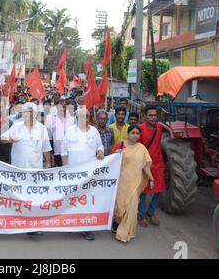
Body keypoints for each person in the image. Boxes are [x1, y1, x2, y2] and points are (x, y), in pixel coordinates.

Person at [1, 102, 52, 237]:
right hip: (18, 171)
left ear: (35, 113)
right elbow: (2, 138)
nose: (27, 114)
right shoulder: (17, 126)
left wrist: (48, 164)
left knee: (33, 198)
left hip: (35, 171)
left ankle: (32, 225)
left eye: (30, 112)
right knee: (19, 197)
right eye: (24, 112)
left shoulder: (42, 129)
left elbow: (46, 149)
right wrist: (9, 140)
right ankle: (17, 222)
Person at [61, 107, 104, 241]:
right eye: (81, 116)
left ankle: (87, 228)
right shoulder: (70, 131)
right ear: (76, 118)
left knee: (88, 199)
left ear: (89, 118)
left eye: (86, 116)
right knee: (74, 199)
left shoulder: (94, 131)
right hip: (73, 172)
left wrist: (100, 151)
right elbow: (64, 151)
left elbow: (100, 146)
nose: (83, 118)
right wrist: (65, 169)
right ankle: (73, 224)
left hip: (90, 173)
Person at [111, 125, 154, 243]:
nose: (135, 135)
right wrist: (117, 154)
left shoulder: (142, 148)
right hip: (122, 181)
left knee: (132, 206)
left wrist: (151, 179)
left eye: (137, 133)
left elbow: (145, 166)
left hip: (135, 182)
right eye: (133, 133)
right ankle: (117, 221)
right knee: (120, 205)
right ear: (128, 134)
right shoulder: (120, 146)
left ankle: (124, 232)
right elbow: (111, 162)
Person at [138, 106, 165, 227]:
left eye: (155, 115)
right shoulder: (140, 129)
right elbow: (136, 148)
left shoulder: (160, 127)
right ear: (145, 116)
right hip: (144, 165)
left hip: (158, 164)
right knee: (143, 191)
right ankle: (142, 215)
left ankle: (151, 211)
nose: (153, 118)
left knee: (160, 190)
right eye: (150, 115)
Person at [45, 98, 74, 167]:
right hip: (56, 151)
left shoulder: (71, 118)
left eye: (64, 106)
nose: (62, 109)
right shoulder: (50, 118)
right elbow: (48, 137)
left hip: (69, 150)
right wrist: (51, 153)